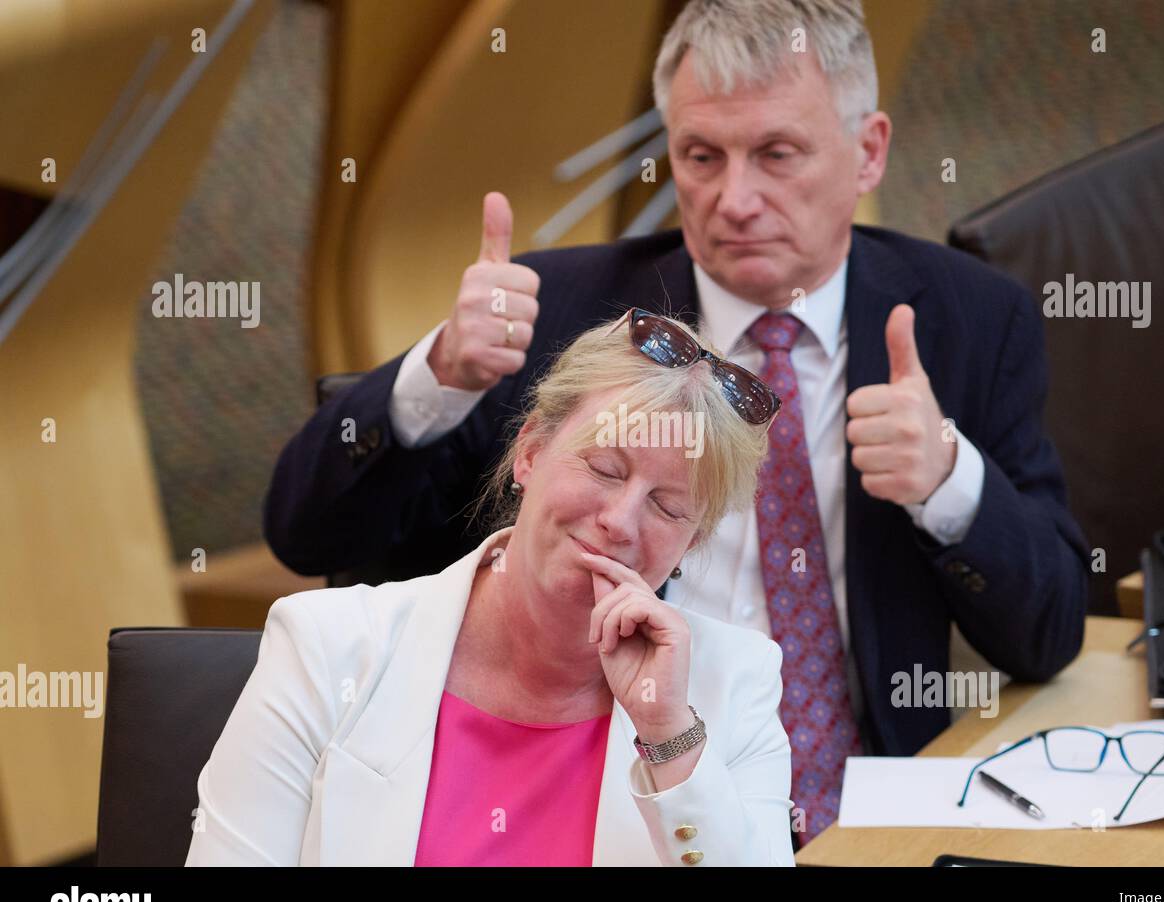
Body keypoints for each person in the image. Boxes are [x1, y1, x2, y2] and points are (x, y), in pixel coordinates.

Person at [264, 0, 1088, 843]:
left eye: (777, 154)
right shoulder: (560, 319)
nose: (734, 200)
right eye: (701, 156)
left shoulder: (969, 320)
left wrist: (950, 482)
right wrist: (434, 377)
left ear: (868, 150)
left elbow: (1051, 635)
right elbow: (305, 534)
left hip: (872, 818)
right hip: (605, 800)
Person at [188, 312, 795, 866]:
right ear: (528, 452)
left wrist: (668, 739)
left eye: (667, 508)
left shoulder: (734, 682)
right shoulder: (326, 646)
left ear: (691, 543)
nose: (620, 520)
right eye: (605, 469)